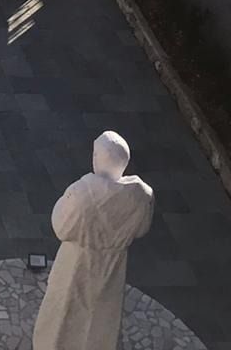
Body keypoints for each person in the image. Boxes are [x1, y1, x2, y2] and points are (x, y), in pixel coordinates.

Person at [32, 130, 155, 350]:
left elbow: (61, 226)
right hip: (112, 266)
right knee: (101, 315)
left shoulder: (83, 193)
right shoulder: (142, 196)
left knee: (64, 311)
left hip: (76, 262)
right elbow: (142, 228)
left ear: (98, 157)